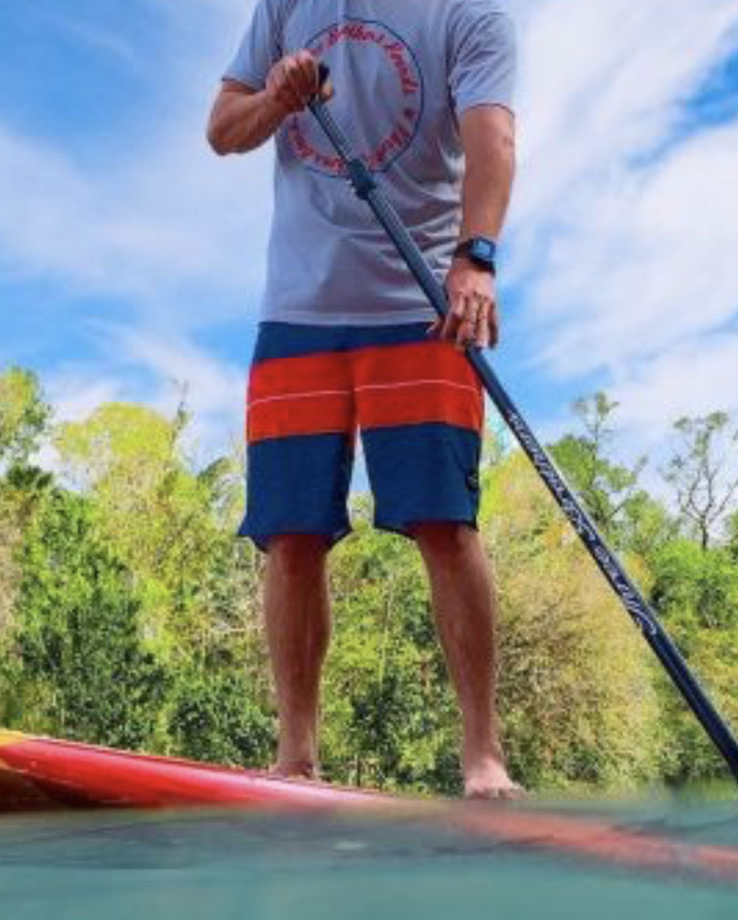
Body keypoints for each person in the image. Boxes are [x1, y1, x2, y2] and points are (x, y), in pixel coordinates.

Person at [206, 1, 521, 797]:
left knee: (444, 524)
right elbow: (222, 130)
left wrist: (475, 259)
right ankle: (296, 759)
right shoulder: (285, 7)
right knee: (291, 532)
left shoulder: (468, 14)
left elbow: (493, 141)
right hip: (297, 312)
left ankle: (483, 757)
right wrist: (278, 97)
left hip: (419, 309)